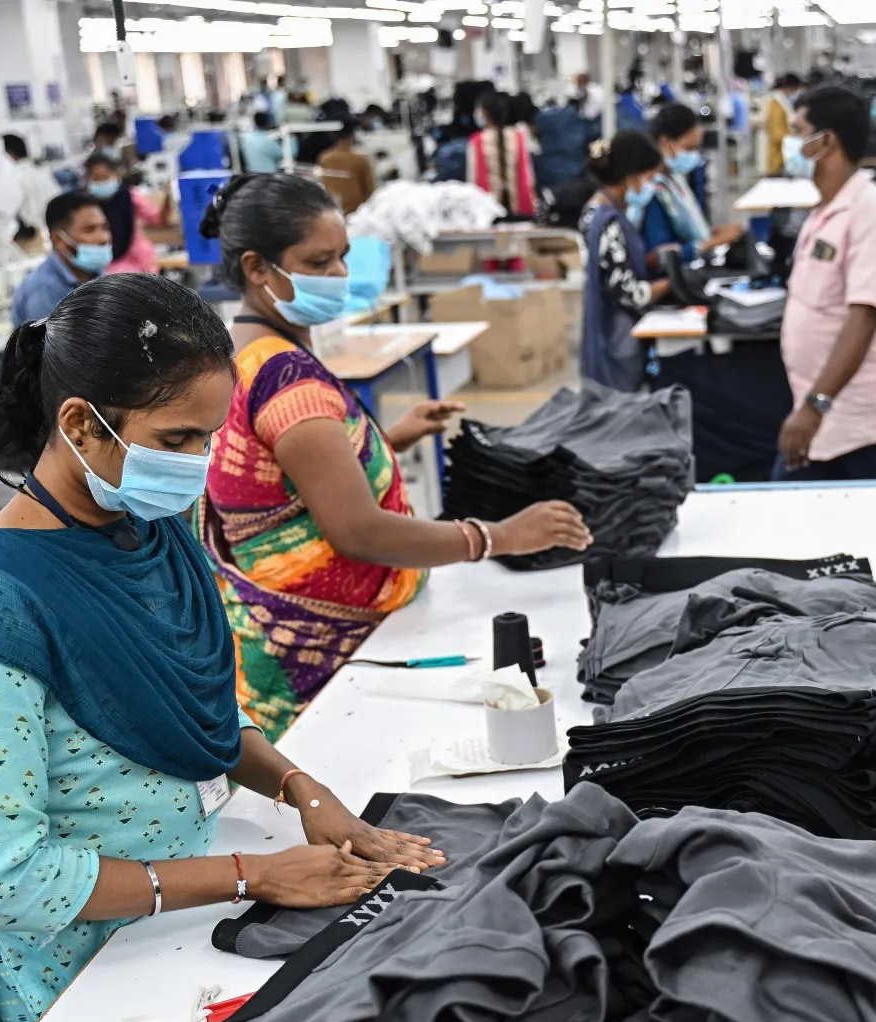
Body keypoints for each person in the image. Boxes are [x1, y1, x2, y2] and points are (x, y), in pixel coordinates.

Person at [0, 273, 444, 1022]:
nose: (200, 465)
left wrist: (302, 788)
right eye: (179, 438)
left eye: (208, 438)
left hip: (184, 937)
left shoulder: (152, 536)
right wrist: (253, 877)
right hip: (84, 995)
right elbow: (8, 878)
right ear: (81, 423)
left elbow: (200, 714)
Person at [198, 175, 591, 736]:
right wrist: (499, 536)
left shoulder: (241, 352)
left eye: (343, 258)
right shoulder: (288, 379)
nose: (340, 276)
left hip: (273, 634)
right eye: (319, 261)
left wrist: (387, 438)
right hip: (327, 656)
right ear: (258, 268)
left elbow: (284, 471)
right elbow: (360, 532)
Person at [775, 86, 876, 482]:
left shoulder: (872, 213)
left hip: (864, 430)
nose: (790, 143)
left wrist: (815, 405)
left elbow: (864, 317)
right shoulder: (824, 212)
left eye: (798, 131)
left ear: (826, 142)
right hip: (823, 423)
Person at [578, 131, 671, 393]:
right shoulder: (606, 222)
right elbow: (630, 293)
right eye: (650, 178)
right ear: (631, 177)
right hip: (618, 339)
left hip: (615, 333)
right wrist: (671, 283)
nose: (651, 186)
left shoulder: (604, 211)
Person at [640, 102, 745, 263]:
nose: (694, 155)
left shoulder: (675, 182)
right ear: (665, 142)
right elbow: (659, 255)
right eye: (689, 148)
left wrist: (714, 233)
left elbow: (688, 231)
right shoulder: (653, 192)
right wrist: (711, 243)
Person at [11, 192, 112, 325]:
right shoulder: (44, 292)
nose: (104, 238)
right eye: (89, 230)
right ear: (59, 239)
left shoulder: (94, 274)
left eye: (105, 228)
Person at [83, 153, 164, 275]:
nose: (101, 183)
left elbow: (156, 218)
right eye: (96, 179)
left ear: (116, 174)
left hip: (138, 258)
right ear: (87, 179)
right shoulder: (84, 205)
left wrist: (168, 197)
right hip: (103, 260)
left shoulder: (129, 196)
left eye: (105, 177)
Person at [469, 91, 536, 219]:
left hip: (488, 212)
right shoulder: (519, 137)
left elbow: (473, 180)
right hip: (521, 209)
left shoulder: (477, 141)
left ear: (484, 114)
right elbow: (528, 175)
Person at [316, 119, 375, 214]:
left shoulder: (324, 158)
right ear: (352, 136)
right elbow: (369, 190)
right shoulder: (360, 160)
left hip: (332, 209)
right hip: (356, 211)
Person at [764, 73, 801, 177]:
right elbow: (776, 133)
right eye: (794, 89)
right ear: (788, 87)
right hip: (778, 157)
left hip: (785, 154)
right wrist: (794, 141)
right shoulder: (776, 104)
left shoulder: (784, 103)